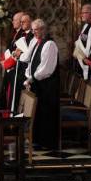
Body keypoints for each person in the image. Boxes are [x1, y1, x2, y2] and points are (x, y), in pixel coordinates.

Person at [22, 19, 59, 149]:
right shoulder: (37, 43)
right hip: (37, 83)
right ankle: (37, 139)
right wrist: (28, 76)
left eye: (36, 30)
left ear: (43, 29)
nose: (34, 32)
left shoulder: (49, 45)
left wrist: (31, 78)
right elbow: (31, 62)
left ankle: (46, 142)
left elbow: (46, 69)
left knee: (46, 112)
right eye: (32, 30)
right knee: (37, 112)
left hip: (46, 86)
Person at [75, 4, 91, 79]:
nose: (81, 15)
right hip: (81, 60)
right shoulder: (85, 26)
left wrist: (83, 57)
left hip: (88, 62)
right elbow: (80, 42)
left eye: (84, 13)